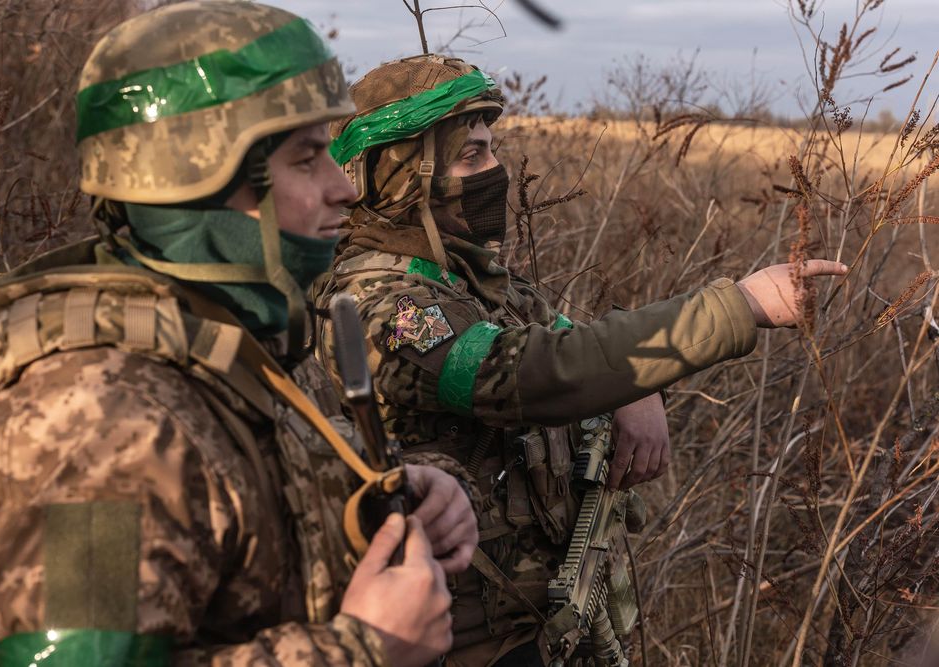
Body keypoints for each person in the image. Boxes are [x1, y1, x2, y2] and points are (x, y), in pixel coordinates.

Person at [0, 6, 480, 667]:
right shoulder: (94, 427)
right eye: (306, 159)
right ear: (193, 177)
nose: (342, 188)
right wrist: (362, 650)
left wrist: (406, 490)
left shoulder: (242, 345)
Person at [316, 54, 848, 666]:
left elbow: (581, 346)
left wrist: (633, 389)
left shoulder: (471, 278)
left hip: (541, 625)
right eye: (471, 156)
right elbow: (533, 374)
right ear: (399, 177)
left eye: (492, 150)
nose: (494, 171)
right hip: (464, 643)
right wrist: (739, 307)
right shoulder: (379, 301)